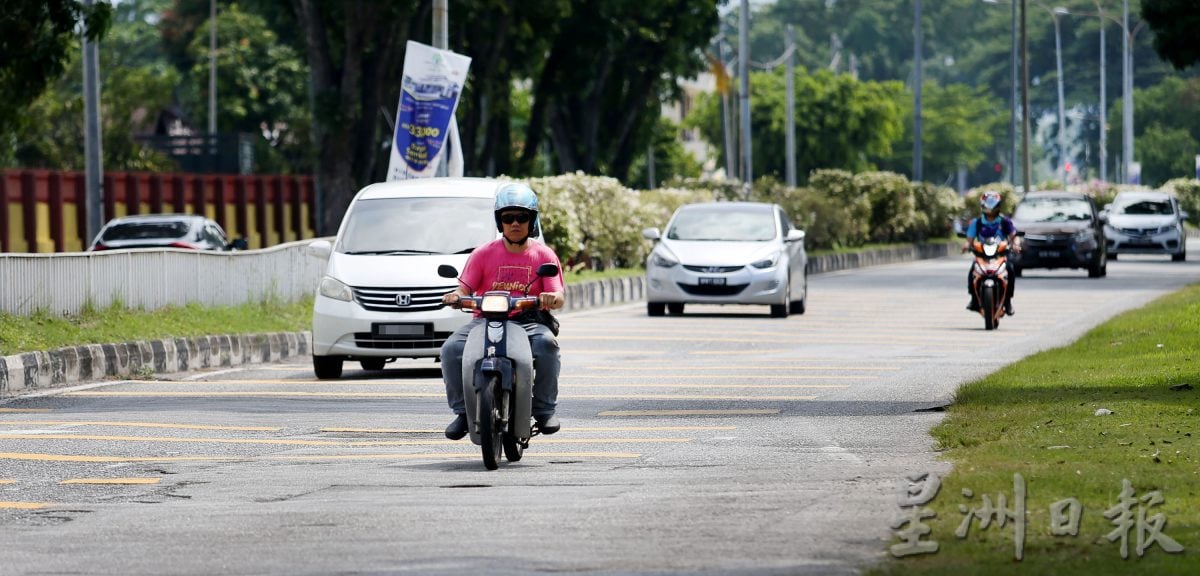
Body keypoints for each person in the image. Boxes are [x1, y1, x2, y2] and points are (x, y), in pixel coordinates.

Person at [440, 183, 566, 440]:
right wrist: (455, 296)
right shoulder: (482, 254)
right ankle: (463, 412)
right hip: (485, 321)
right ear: (500, 222)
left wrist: (551, 298)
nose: (515, 223)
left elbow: (558, 294)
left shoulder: (544, 255)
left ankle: (544, 410)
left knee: (547, 345)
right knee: (451, 349)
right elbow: (464, 288)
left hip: (528, 321)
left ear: (532, 221)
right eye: (508, 218)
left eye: (522, 217)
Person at [962, 190, 1019, 316]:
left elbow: (1014, 236)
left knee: (1010, 269)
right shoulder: (977, 222)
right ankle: (974, 300)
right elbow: (969, 240)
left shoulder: (1005, 221)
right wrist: (967, 245)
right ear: (983, 205)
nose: (991, 208)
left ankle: (1008, 301)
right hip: (982, 256)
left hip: (1000, 255)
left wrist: (1015, 244)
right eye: (988, 204)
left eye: (993, 204)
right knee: (973, 271)